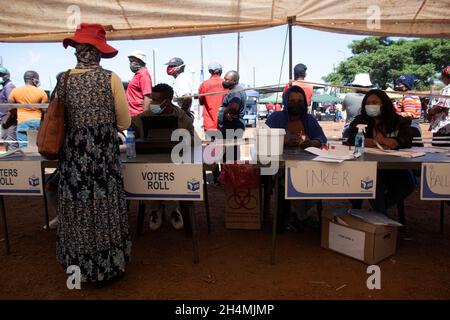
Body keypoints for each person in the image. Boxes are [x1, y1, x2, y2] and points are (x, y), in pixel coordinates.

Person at [57, 23, 131, 285]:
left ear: (77, 50)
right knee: (104, 205)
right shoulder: (110, 78)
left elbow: (58, 121)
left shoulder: (62, 79)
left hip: (73, 158)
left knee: (77, 208)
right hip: (102, 157)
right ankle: (107, 268)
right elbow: (124, 123)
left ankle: (78, 268)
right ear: (99, 51)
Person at [131, 83, 193, 231]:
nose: (153, 103)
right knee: (146, 178)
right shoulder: (143, 117)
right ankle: (155, 210)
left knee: (173, 179)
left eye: (157, 100)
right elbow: (132, 130)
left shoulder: (182, 118)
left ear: (168, 100)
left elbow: (192, 140)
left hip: (175, 159)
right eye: (152, 99)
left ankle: (173, 210)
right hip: (150, 159)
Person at [267, 86, 327, 230]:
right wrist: (284, 141)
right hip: (282, 167)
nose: (296, 103)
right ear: (286, 101)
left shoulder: (309, 120)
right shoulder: (275, 118)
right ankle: (302, 217)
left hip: (308, 165)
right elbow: (265, 140)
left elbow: (321, 138)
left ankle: (299, 216)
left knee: (318, 179)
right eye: (292, 100)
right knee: (293, 179)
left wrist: (311, 142)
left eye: (300, 100)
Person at [347, 89, 415, 214]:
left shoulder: (397, 120)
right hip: (366, 166)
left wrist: (396, 141)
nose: (371, 105)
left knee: (409, 183)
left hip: (393, 166)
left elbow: (408, 138)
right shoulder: (360, 120)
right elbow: (350, 138)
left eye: (375, 102)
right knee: (374, 181)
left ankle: (376, 211)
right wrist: (370, 141)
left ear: (384, 103)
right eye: (368, 103)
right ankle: (380, 216)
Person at [8, 70, 48, 148]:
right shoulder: (41, 92)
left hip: (22, 122)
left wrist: (18, 113)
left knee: (23, 147)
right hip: (36, 122)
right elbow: (44, 110)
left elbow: (10, 107)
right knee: (37, 146)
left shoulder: (15, 91)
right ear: (34, 79)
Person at [342, 73, 372, 141]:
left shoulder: (348, 96)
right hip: (368, 129)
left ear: (354, 86)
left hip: (349, 128)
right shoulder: (371, 97)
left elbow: (343, 108)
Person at [394, 74, 422, 143]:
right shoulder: (411, 95)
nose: (396, 86)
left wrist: (394, 114)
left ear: (406, 86)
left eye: (399, 84)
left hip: (410, 128)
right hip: (412, 127)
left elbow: (410, 114)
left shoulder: (408, 97)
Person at [198, 62, 226, 131]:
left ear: (210, 71)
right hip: (223, 123)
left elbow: (201, 102)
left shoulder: (204, 84)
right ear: (221, 71)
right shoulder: (226, 83)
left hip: (209, 124)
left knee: (209, 142)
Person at [428, 66, 450, 147]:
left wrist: (431, 111)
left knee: (441, 153)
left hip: (445, 127)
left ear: (446, 76)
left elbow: (443, 106)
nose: (441, 78)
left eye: (442, 76)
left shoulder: (448, 89)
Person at [126, 50, 153, 116]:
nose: (130, 64)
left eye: (132, 61)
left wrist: (144, 116)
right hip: (132, 114)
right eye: (130, 61)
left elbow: (147, 97)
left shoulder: (144, 75)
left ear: (140, 61)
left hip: (137, 114)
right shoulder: (138, 74)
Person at [0, 66, 18, 151]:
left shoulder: (9, 87)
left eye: (1, 75)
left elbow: (12, 106)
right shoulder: (4, 87)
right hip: (5, 119)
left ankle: (14, 163)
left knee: (11, 144)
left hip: (9, 121)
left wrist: (6, 120)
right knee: (7, 142)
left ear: (7, 76)